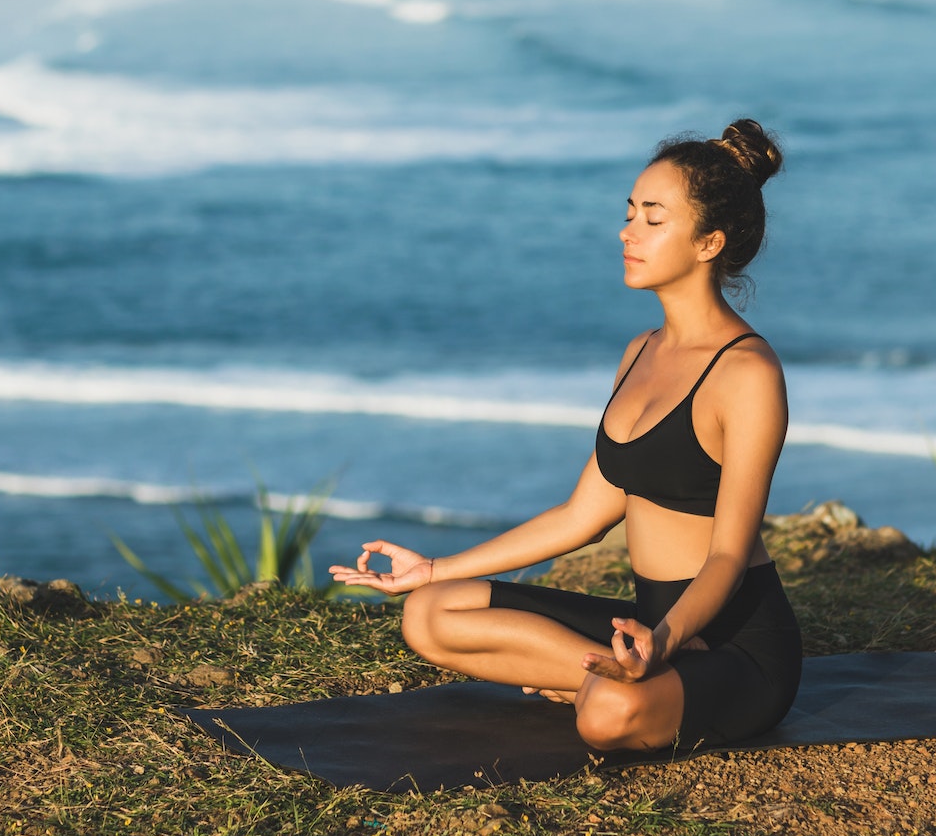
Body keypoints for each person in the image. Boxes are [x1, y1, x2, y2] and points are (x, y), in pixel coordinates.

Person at [329, 120, 802, 753]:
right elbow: (583, 514)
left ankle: (613, 683)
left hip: (732, 640)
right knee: (431, 614)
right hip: (652, 626)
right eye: (630, 212)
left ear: (709, 242)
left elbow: (726, 557)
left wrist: (663, 641)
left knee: (605, 718)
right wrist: (435, 568)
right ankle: (610, 674)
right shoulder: (641, 352)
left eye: (652, 219)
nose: (627, 232)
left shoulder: (746, 373)